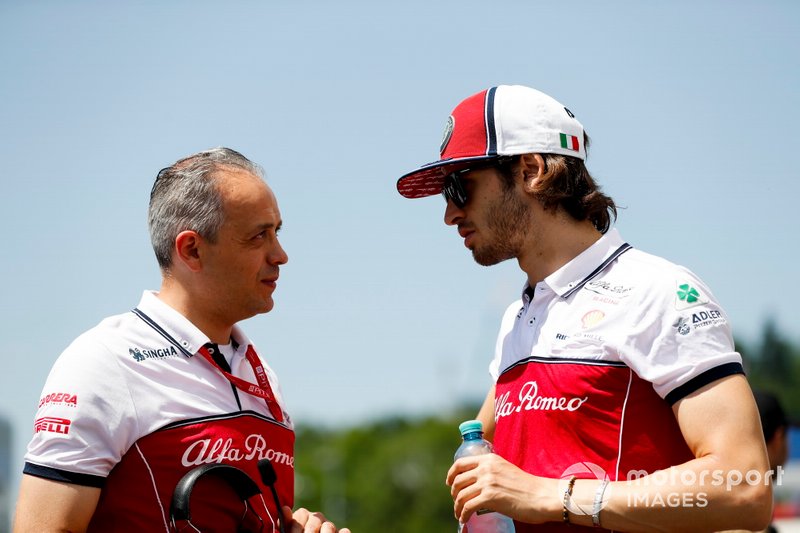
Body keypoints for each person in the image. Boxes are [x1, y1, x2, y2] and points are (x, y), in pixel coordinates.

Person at [396, 85, 773, 531]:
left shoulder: (659, 291)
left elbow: (745, 487)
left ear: (531, 170)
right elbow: (492, 486)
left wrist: (554, 494)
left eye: (460, 186)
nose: (449, 213)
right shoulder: (516, 319)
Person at [14, 148, 349, 533]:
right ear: (191, 249)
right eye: (259, 236)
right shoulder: (103, 361)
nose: (281, 255)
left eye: (277, 232)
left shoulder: (259, 372)